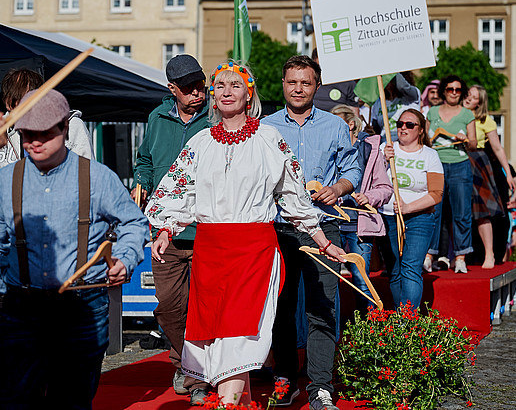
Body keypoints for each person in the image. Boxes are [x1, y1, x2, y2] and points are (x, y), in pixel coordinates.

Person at [144, 61, 346, 406]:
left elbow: (294, 196)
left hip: (254, 251)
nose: (226, 91)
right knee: (219, 338)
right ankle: (240, 403)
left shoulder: (269, 139)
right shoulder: (200, 142)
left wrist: (322, 240)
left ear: (248, 93)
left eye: (235, 85)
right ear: (212, 95)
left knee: (237, 338)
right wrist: (165, 228)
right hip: (210, 252)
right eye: (219, 86)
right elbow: (179, 192)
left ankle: (226, 405)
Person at [0, 89, 148, 410]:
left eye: (44, 133)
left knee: (72, 400)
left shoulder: (97, 177)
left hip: (82, 308)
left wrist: (124, 258)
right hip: (21, 308)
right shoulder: (4, 180)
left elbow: (134, 225)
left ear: (64, 128)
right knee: (17, 399)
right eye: (27, 135)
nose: (34, 142)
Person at [262, 55, 361, 410]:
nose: (299, 88)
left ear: (316, 86)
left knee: (322, 308)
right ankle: (285, 378)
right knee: (281, 307)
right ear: (283, 85)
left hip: (324, 226)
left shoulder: (335, 126)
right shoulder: (266, 127)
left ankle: (320, 386)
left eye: (306, 82)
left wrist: (338, 189)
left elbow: (353, 167)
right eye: (292, 82)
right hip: (280, 230)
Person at [130, 54, 210, 404]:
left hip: (206, 228)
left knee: (201, 305)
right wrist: (141, 181)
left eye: (200, 84)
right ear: (171, 89)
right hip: (164, 229)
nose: (198, 91)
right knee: (167, 305)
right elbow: (145, 158)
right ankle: (188, 361)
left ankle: (196, 376)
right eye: (189, 87)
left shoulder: (216, 117)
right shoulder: (156, 116)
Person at [330, 105, 392, 313]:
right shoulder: (327, 150)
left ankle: (366, 332)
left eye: (338, 125)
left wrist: (369, 197)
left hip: (360, 224)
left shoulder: (369, 149)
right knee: (330, 280)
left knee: (361, 279)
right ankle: (335, 333)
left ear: (350, 124)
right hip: (332, 223)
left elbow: (385, 188)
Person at [381, 109, 444, 309]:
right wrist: (382, 160)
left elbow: (436, 193)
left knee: (410, 266)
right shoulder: (386, 148)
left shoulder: (430, 155)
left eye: (409, 125)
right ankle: (402, 316)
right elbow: (371, 181)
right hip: (388, 216)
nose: (403, 128)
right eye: (400, 124)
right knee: (395, 269)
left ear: (421, 130)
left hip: (420, 217)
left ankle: (408, 321)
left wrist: (408, 208)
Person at [425, 75, 477, 273]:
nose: (454, 92)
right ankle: (429, 255)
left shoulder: (466, 114)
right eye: (450, 89)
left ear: (461, 91)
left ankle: (461, 256)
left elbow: (474, 144)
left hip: (460, 165)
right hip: (436, 165)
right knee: (433, 211)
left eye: (457, 89)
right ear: (443, 91)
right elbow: (425, 140)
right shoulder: (433, 111)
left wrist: (465, 139)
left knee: (462, 212)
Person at [463, 85, 516, 268]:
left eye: (474, 97)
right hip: (453, 161)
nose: (469, 98)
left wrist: (508, 173)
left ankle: (490, 254)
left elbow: (498, 148)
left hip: (477, 163)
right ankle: (460, 256)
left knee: (483, 210)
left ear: (480, 103)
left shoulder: (486, 121)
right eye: (468, 94)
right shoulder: (453, 115)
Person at [0, 68, 95, 168]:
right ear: (7, 103)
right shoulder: (4, 129)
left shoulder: (72, 125)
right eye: (17, 100)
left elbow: (87, 172)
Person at [371, 72, 420, 142]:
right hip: (386, 144)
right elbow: (376, 130)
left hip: (407, 142)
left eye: (390, 79)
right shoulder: (378, 102)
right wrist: (370, 131)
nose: (388, 82)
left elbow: (402, 86)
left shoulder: (411, 97)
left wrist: (392, 69)